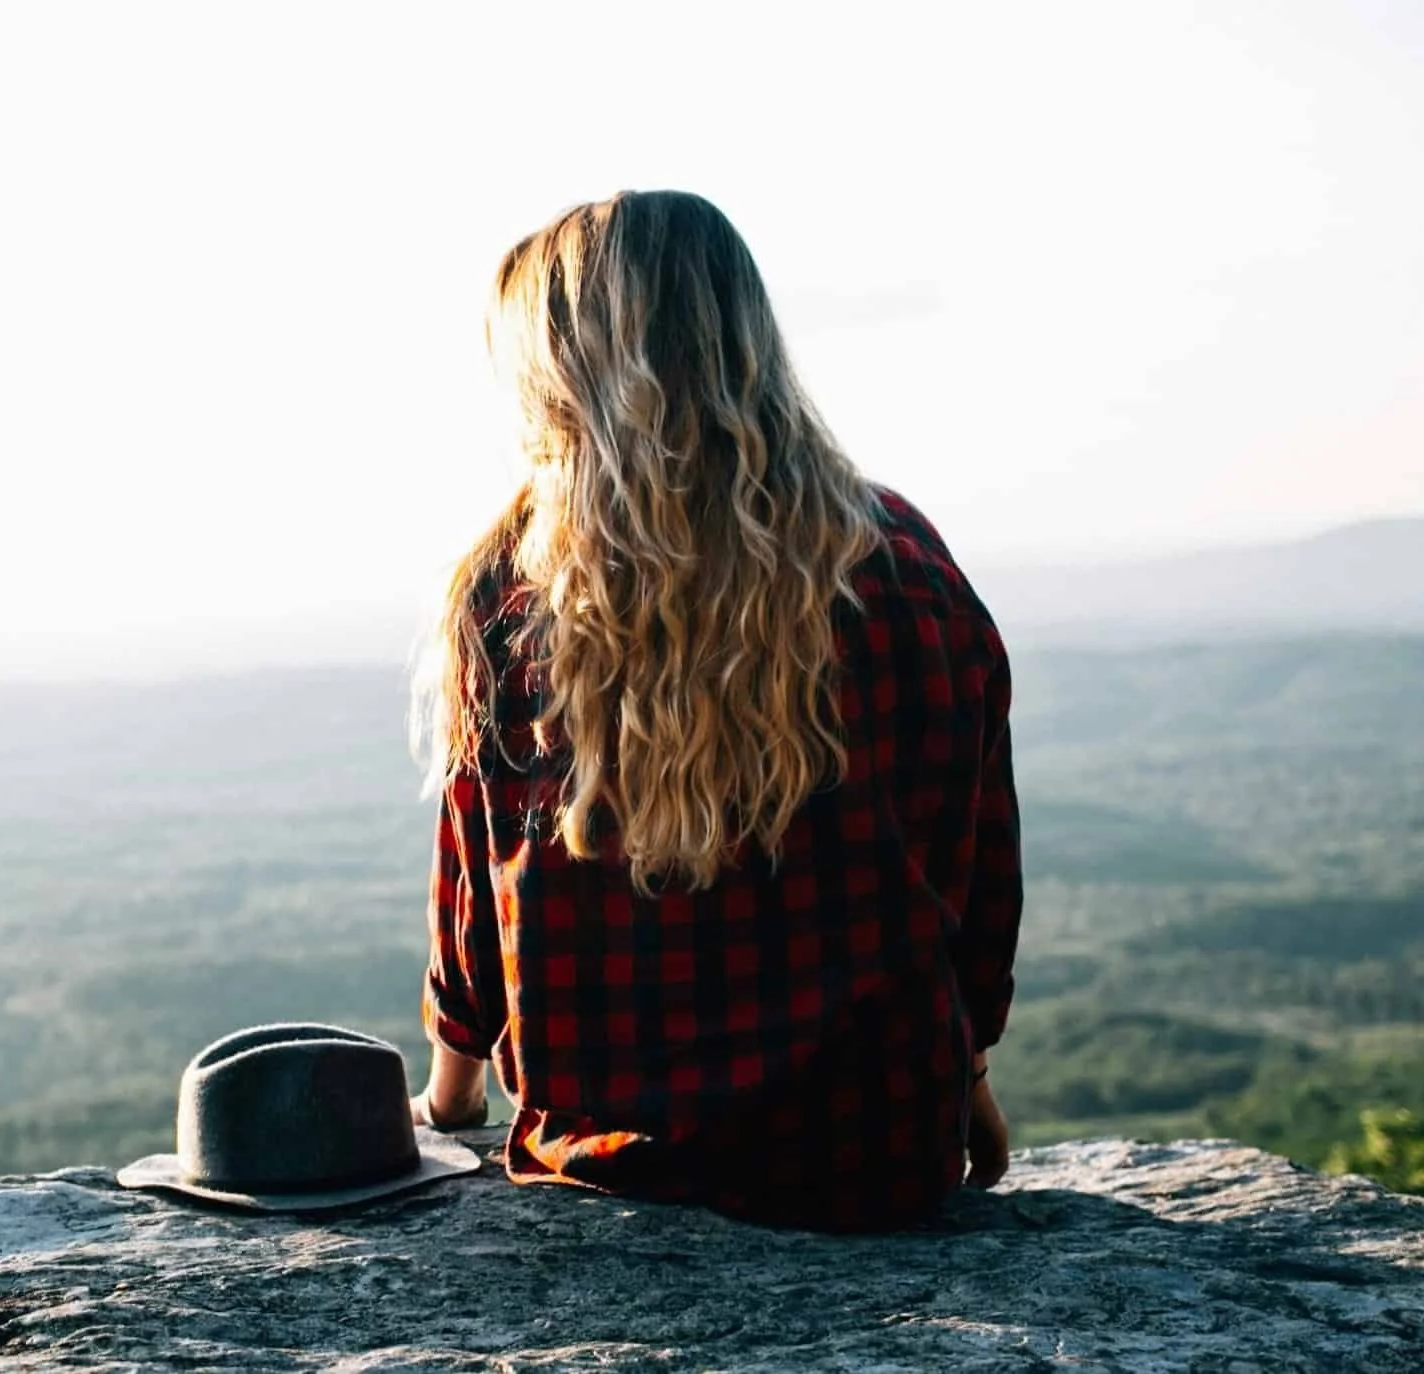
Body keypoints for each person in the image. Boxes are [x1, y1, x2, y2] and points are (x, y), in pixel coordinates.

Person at [410, 190, 1021, 1232]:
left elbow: (479, 897)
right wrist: (963, 1088)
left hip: (606, 1168)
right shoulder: (899, 565)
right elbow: (962, 869)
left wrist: (448, 1105)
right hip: (871, 1155)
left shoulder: (512, 588)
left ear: (556, 376)